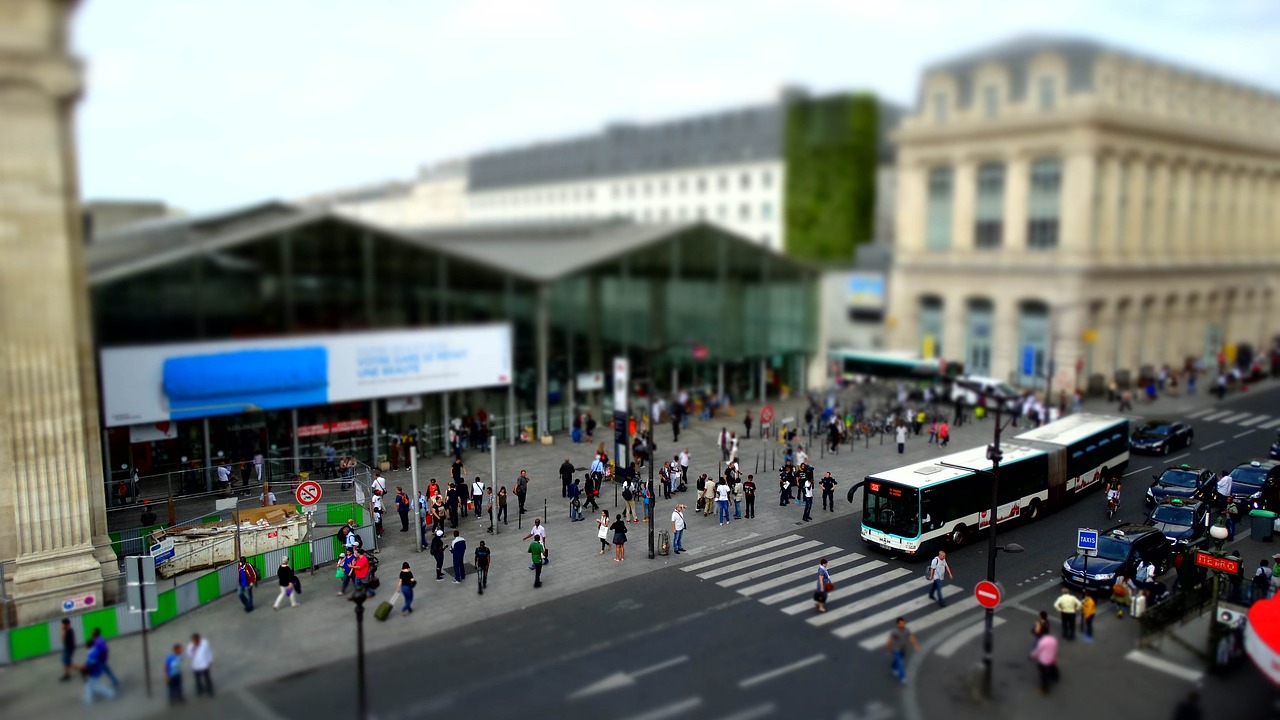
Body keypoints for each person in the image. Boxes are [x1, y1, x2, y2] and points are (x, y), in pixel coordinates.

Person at [81, 630, 116, 704]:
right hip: (96, 671)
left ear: (88, 646)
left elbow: (91, 663)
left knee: (95, 686)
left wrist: (86, 670)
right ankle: (89, 700)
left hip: (93, 673)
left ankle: (110, 693)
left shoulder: (92, 652)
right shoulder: (94, 650)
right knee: (89, 686)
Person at [885, 617, 920, 684]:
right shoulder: (894, 632)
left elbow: (911, 637)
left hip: (903, 649)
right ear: (897, 624)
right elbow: (889, 640)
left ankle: (893, 667)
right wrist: (888, 648)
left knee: (898, 660)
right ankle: (902, 677)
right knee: (900, 663)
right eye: (901, 623)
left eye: (903, 623)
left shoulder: (906, 630)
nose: (902, 624)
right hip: (896, 649)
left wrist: (915, 645)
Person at [1030, 626, 1060, 694]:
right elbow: (1055, 650)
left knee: (1043, 675)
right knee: (1053, 667)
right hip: (1052, 659)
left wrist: (1032, 656)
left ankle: (1044, 689)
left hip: (1043, 661)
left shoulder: (1042, 642)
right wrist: (1054, 658)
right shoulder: (1053, 639)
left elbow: (1037, 651)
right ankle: (1055, 677)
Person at [187, 633, 214, 697]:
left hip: (204, 664)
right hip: (196, 666)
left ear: (199, 639)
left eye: (197, 640)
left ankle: (210, 690)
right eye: (194, 640)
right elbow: (189, 657)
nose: (196, 642)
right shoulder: (190, 646)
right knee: (198, 680)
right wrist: (193, 648)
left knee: (207, 678)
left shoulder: (205, 643)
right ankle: (199, 690)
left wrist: (210, 660)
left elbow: (208, 651)